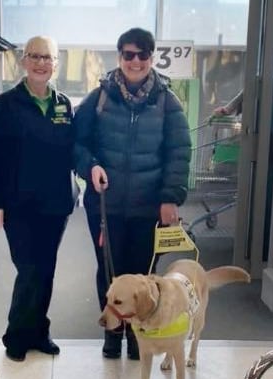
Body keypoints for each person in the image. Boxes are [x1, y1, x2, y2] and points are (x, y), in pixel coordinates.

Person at [74, 27, 192, 359]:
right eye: (128, 54)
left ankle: (139, 336)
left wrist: (170, 197)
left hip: (148, 207)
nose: (135, 61)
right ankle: (113, 334)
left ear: (151, 58)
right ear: (119, 57)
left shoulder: (168, 102)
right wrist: (90, 166)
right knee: (110, 273)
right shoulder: (98, 99)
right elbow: (78, 144)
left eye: (142, 55)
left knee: (143, 278)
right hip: (104, 206)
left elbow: (179, 152)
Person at [0, 36, 75, 362]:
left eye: (47, 57)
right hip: (18, 205)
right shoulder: (6, 105)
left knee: (45, 270)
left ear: (55, 63)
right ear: (24, 61)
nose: (40, 63)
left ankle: (39, 332)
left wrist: (93, 169)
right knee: (29, 269)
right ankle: (16, 336)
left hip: (56, 204)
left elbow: (73, 150)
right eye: (34, 56)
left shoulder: (64, 104)